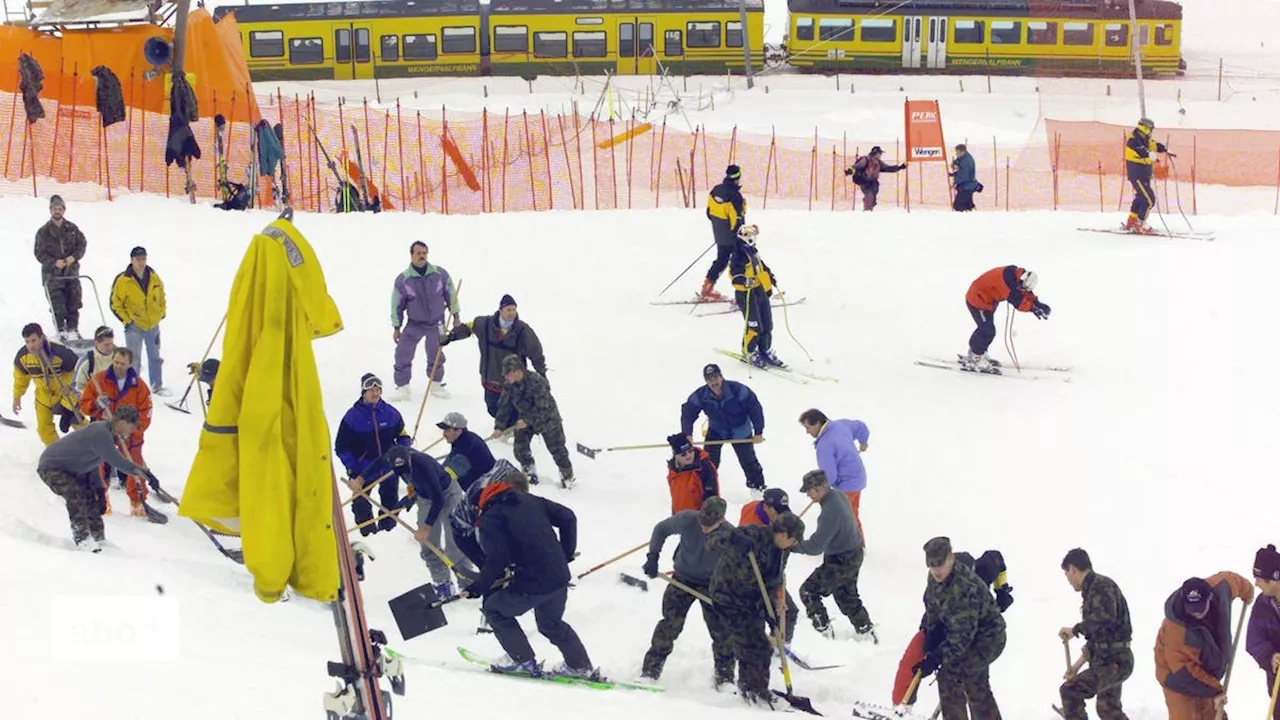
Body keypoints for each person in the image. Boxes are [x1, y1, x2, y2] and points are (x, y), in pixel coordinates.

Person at [459, 468, 597, 680]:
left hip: (534, 581)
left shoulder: (490, 518)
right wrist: (565, 553)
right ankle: (579, 665)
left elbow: (498, 560)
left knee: (494, 609)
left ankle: (521, 659)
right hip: (559, 576)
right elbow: (568, 517)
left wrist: (477, 588)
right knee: (550, 623)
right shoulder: (531, 500)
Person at [894, 546, 1012, 708]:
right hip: (939, 625)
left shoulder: (979, 576)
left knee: (965, 674)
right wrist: (931, 641)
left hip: (976, 633)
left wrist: (1002, 590)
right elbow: (932, 611)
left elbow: (997, 557)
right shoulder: (937, 579)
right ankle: (901, 706)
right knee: (913, 660)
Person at [708, 511, 805, 707]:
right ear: (783, 534)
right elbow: (711, 542)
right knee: (754, 645)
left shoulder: (782, 550)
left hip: (753, 598)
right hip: (729, 597)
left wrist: (776, 600)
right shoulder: (752, 534)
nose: (794, 544)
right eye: (793, 539)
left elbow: (775, 577)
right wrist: (735, 539)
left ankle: (752, 689)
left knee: (759, 646)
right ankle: (753, 692)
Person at [639, 497, 735, 685]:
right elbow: (661, 529)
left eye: (710, 524)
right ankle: (650, 671)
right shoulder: (687, 519)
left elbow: (738, 565)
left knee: (722, 632)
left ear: (721, 520)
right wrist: (653, 557)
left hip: (712, 585)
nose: (704, 528)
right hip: (682, 579)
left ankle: (725, 678)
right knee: (669, 625)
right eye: (703, 522)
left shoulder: (730, 535)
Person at [36, 406, 147, 552]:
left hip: (73, 470)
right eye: (131, 427)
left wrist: (99, 489)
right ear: (122, 422)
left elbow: (91, 464)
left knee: (90, 497)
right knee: (75, 494)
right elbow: (114, 459)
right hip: (52, 467)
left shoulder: (107, 436)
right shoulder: (101, 432)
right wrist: (138, 471)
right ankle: (82, 539)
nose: (131, 432)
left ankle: (98, 537)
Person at [1155, 570, 1254, 720]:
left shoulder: (1220, 588)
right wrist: (1216, 690)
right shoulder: (1178, 630)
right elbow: (1186, 673)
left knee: (1211, 713)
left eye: (1200, 609)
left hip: (1206, 668)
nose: (1196, 614)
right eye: (1192, 610)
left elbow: (1233, 580)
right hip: (1177, 677)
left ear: (1210, 597)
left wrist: (1247, 590)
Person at [792, 470, 873, 639]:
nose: (807, 495)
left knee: (809, 591)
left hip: (840, 559)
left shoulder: (830, 511)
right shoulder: (838, 496)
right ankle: (865, 630)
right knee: (846, 594)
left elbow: (816, 546)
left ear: (820, 488)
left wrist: (793, 546)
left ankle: (823, 632)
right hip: (854, 552)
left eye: (809, 490)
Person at [442, 294, 547, 420]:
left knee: (515, 410)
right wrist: (450, 337)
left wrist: (542, 374)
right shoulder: (484, 324)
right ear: (500, 310)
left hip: (514, 381)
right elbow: (467, 328)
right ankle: (506, 428)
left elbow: (536, 353)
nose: (512, 313)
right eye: (508, 310)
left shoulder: (523, 331)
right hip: (490, 377)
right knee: (493, 408)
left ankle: (515, 431)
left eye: (514, 310)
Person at [1058, 548, 1134, 720]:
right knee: (1107, 709)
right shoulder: (1092, 590)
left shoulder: (1101, 586)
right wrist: (1076, 667)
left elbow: (1105, 619)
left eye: (1066, 574)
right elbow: (1097, 640)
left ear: (1072, 569)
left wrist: (1075, 630)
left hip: (1114, 661)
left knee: (1070, 692)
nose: (1068, 580)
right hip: (1108, 659)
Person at [386, 444, 469, 600]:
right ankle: (442, 583)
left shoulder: (423, 466)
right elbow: (376, 464)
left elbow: (438, 499)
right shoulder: (392, 458)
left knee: (455, 541)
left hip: (448, 494)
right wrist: (360, 479)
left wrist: (426, 527)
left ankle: (466, 581)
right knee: (429, 545)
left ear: (408, 457)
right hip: (425, 498)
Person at [78, 347, 154, 517]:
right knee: (99, 467)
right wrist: (96, 404)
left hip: (130, 435)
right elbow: (84, 405)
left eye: (123, 363)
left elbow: (146, 413)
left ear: (130, 364)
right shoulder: (99, 380)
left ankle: (138, 501)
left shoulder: (139, 386)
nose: (118, 366)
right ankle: (101, 499)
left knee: (135, 466)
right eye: (116, 362)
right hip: (104, 432)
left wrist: (132, 431)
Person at [335, 373, 410, 536]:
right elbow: (341, 447)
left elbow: (403, 436)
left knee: (390, 503)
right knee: (360, 504)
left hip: (389, 468)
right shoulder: (352, 417)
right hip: (364, 469)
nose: (375, 393)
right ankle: (368, 533)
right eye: (371, 390)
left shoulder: (391, 413)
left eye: (378, 390)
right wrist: (352, 469)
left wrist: (402, 452)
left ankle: (388, 532)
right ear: (363, 393)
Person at [680, 363, 766, 492]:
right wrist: (687, 434)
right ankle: (706, 488)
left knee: (749, 462)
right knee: (708, 462)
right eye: (709, 379)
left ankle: (758, 489)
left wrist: (758, 431)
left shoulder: (738, 390)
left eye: (715, 377)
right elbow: (688, 413)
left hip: (740, 430)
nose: (713, 382)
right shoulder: (701, 395)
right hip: (717, 430)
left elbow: (755, 408)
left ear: (721, 376)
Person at [391, 241, 460, 398]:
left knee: (436, 352)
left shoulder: (439, 274)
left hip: (437, 322)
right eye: (418, 253)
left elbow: (451, 293)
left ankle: (436, 384)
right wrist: (396, 327)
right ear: (412, 255)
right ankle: (402, 386)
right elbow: (396, 304)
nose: (422, 256)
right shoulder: (403, 280)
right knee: (403, 352)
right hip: (414, 323)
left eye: (424, 253)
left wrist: (456, 315)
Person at [494, 354, 574, 488]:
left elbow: (543, 407)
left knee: (558, 450)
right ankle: (529, 473)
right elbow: (504, 407)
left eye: (508, 374)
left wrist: (527, 420)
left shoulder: (537, 382)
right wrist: (499, 427)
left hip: (547, 420)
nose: (506, 377)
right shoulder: (509, 386)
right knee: (520, 448)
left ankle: (567, 476)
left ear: (517, 371)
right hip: (525, 420)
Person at [736, 487, 800, 646]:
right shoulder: (754, 528)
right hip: (751, 577)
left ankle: (781, 646)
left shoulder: (780, 524)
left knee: (788, 611)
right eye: (777, 511)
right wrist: (777, 595)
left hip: (770, 575)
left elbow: (779, 564)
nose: (781, 515)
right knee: (764, 612)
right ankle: (762, 646)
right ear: (765, 507)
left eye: (783, 510)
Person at [798, 408, 869, 546]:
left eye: (808, 427)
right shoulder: (841, 425)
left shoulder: (825, 445)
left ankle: (854, 546)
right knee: (851, 513)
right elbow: (861, 427)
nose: (807, 432)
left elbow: (828, 476)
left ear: (818, 423)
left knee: (839, 516)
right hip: (858, 478)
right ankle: (858, 544)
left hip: (846, 485)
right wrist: (863, 442)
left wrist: (820, 492)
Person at [963, 265, 1051, 373]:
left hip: (987, 302)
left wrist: (1038, 304)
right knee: (987, 330)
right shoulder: (1007, 282)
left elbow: (1023, 292)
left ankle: (976, 352)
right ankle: (976, 357)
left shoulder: (1017, 277)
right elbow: (1017, 301)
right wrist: (1033, 309)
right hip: (977, 300)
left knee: (985, 329)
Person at [109, 246, 168, 395]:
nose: (141, 262)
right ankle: (133, 387)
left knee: (155, 357)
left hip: (153, 325)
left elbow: (161, 296)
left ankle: (157, 385)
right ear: (132, 260)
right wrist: (127, 321)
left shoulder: (154, 277)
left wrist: (161, 313)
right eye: (138, 259)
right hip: (134, 327)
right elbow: (115, 303)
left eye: (143, 259)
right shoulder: (123, 281)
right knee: (133, 359)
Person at [13, 322, 81, 446]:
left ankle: (95, 449)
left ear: (42, 337)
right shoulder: (23, 357)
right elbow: (20, 378)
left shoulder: (60, 352)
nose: (31, 345)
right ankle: (58, 455)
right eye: (27, 341)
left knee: (78, 423)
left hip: (64, 394)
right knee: (44, 430)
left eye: (33, 340)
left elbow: (77, 372)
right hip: (43, 397)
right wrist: (17, 397)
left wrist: (69, 392)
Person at [728, 224, 785, 368]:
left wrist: (770, 277)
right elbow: (735, 274)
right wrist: (744, 280)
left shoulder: (753, 251)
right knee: (754, 325)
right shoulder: (738, 254)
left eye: (752, 235)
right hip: (746, 294)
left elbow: (761, 266)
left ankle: (764, 349)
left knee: (767, 323)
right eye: (747, 235)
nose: (751, 238)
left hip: (760, 291)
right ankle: (749, 352)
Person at [33, 195, 87, 342]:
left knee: (74, 303)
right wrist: (53, 262)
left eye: (60, 208)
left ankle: (73, 330)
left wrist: (73, 258)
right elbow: (38, 253)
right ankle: (61, 331)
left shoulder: (72, 229)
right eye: (55, 208)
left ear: (64, 210)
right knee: (58, 306)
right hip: (53, 276)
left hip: (71, 274)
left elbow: (82, 245)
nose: (57, 211)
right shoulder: (43, 232)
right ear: (50, 210)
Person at [702, 164, 746, 301]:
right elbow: (737, 221)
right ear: (738, 178)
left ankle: (707, 288)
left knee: (722, 260)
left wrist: (722, 231)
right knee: (742, 262)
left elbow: (709, 213)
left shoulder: (715, 190)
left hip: (719, 234)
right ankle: (744, 295)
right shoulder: (736, 197)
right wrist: (739, 236)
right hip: (733, 236)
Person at [1247, 544, 1280, 720]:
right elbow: (1253, 640)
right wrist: (1270, 656)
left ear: (1274, 579)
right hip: (1278, 687)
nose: (1256, 583)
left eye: (1259, 578)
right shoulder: (1263, 605)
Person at [1123, 117, 1169, 234]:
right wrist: (1149, 154)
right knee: (1149, 199)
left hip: (1144, 172)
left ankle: (1132, 221)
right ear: (1145, 128)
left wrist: (1164, 149)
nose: (1151, 131)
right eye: (1150, 129)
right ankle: (1140, 223)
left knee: (1141, 197)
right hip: (1137, 172)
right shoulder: (1133, 138)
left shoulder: (1144, 137)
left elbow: (1152, 145)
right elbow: (1140, 149)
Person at [437, 411, 497, 492]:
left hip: (487, 492)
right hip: (483, 486)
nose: (444, 434)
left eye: (447, 431)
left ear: (458, 431)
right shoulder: (465, 439)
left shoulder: (466, 449)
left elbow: (446, 478)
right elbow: (448, 463)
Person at [665, 433, 719, 515]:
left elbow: (712, 498)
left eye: (690, 451)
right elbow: (676, 498)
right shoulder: (673, 472)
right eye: (683, 454)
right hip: (680, 518)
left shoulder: (704, 468)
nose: (688, 455)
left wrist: (707, 521)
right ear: (676, 455)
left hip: (700, 520)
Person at [846, 146, 906, 212]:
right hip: (865, 181)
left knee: (873, 199)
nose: (881, 155)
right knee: (869, 196)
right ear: (876, 153)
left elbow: (888, 168)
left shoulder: (878, 162)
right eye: (880, 153)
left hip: (873, 183)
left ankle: (869, 210)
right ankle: (867, 212)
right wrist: (850, 171)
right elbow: (856, 166)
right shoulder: (866, 159)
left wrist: (900, 167)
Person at [950, 144, 980, 212]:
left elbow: (964, 175)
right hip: (965, 186)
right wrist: (954, 165)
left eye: (957, 152)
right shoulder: (962, 158)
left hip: (967, 186)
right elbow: (957, 164)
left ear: (962, 151)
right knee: (968, 205)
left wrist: (955, 182)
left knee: (958, 206)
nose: (956, 154)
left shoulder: (967, 161)